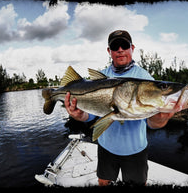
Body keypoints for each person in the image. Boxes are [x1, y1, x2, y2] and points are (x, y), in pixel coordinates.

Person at [64, 30, 174, 186]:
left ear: (132, 48)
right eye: (115, 46)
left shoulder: (145, 78)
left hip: (136, 150)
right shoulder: (100, 77)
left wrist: (161, 119)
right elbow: (91, 115)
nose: (120, 49)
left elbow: (152, 122)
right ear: (109, 51)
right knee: (103, 181)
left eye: (124, 45)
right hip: (106, 147)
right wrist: (79, 116)